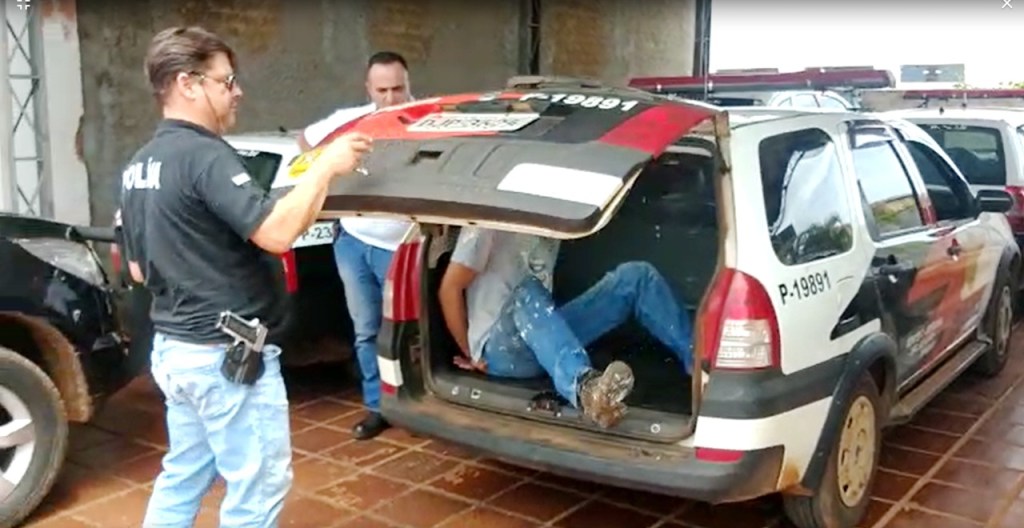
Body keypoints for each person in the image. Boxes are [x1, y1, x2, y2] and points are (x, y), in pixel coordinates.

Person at [120, 26, 372, 527]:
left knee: (184, 474)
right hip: (223, 359)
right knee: (257, 489)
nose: (237, 92)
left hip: (176, 351)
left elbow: (136, 267)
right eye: (226, 80)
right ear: (188, 84)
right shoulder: (205, 155)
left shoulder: (139, 164)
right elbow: (276, 234)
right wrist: (324, 168)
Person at [438, 227, 694, 428]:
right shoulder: (487, 226)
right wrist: (472, 353)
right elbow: (449, 289)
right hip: (501, 350)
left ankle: (700, 366)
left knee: (636, 277)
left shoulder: (556, 222)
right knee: (527, 290)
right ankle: (587, 388)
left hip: (543, 342)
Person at [298, 51, 413, 440]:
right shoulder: (352, 121)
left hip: (402, 246)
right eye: (382, 90)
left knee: (408, 331)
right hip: (353, 241)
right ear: (368, 89)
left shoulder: (426, 120)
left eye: (398, 88)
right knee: (365, 331)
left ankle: (414, 407)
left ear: (408, 84)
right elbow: (306, 140)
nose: (391, 98)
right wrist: (330, 175)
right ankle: (376, 408)